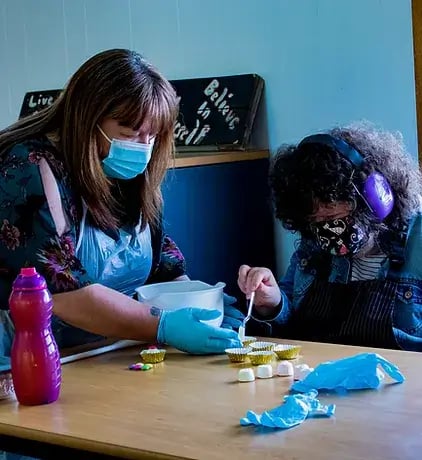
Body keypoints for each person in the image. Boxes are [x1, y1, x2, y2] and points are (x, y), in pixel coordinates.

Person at [0, 48, 240, 355]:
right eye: (130, 133)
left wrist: (197, 303)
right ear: (88, 120)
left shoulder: (128, 174)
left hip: (102, 352)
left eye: (152, 136)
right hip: (25, 360)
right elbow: (62, 292)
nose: (143, 147)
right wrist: (163, 325)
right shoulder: (29, 166)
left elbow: (162, 267)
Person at [236, 122, 422, 351]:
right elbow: (291, 323)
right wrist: (272, 302)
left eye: (333, 214)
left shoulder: (417, 239)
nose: (326, 228)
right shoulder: (313, 243)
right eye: (315, 220)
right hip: (321, 376)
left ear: (373, 199)